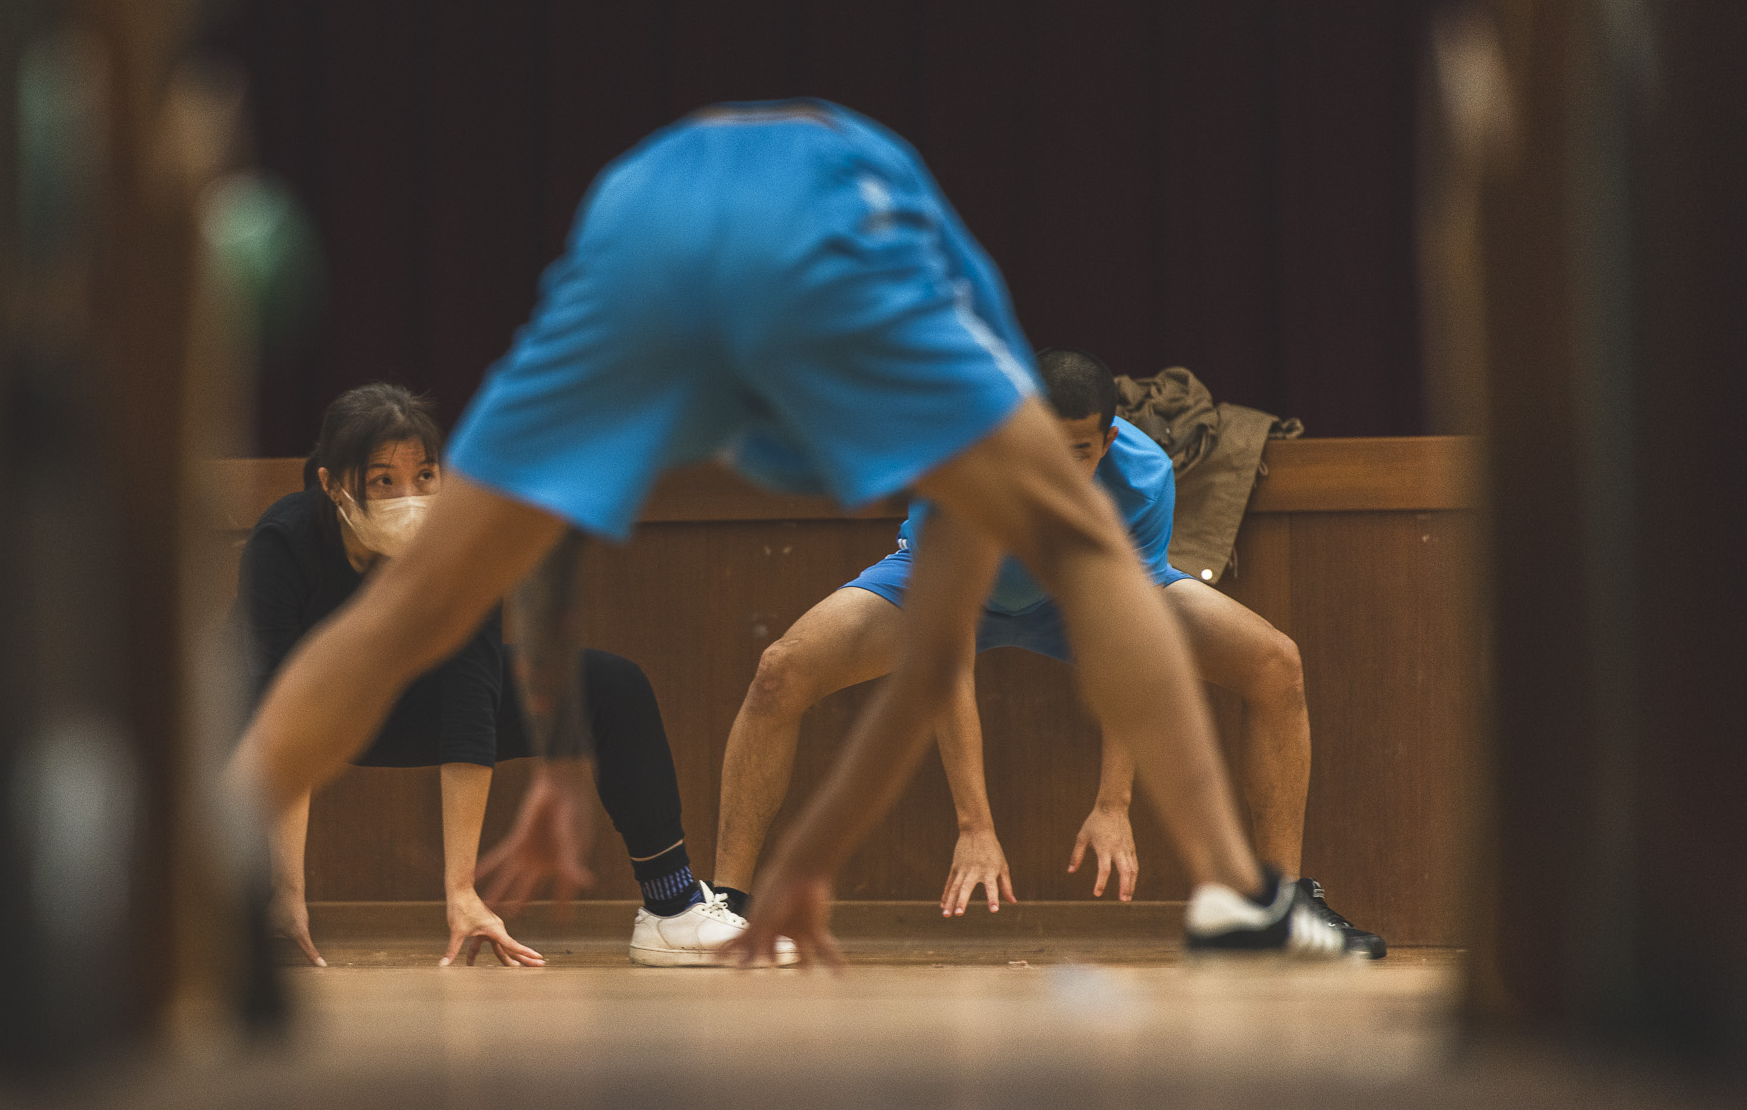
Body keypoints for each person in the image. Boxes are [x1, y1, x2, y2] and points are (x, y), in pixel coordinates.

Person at [227, 99, 1351, 966]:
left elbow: (539, 551)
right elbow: (940, 656)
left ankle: (198, 889)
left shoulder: (661, 296)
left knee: (418, 598)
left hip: (658, 221)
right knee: (1092, 571)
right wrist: (806, 858)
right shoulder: (921, 346)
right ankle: (1238, 892)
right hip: (802, 223)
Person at [709, 348, 1385, 956]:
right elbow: (946, 647)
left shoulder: (1144, 478)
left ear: (1108, 440)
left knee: (1274, 663)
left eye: (1079, 452)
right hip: (949, 594)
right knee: (780, 672)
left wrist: (1114, 804)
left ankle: (1277, 904)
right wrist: (974, 824)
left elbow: (1131, 640)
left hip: (1079, 603)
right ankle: (726, 905)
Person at [236, 384, 780, 968]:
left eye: (425, 476)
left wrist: (461, 891)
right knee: (206, 709)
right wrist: (287, 892)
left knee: (611, 685)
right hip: (306, 715)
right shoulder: (284, 540)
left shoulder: (462, 543)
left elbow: (471, 697)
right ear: (331, 484)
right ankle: (232, 912)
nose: (409, 497)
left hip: (421, 704)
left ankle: (671, 909)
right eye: (382, 481)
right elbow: (275, 714)